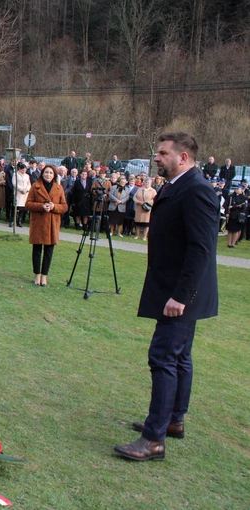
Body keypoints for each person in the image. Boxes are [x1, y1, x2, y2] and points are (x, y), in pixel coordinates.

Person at [114, 132, 219, 462]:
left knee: (163, 357)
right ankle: (172, 421)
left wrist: (181, 297)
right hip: (175, 290)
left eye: (162, 153)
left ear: (183, 157)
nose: (156, 158)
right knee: (179, 358)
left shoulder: (198, 190)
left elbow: (201, 249)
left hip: (181, 295)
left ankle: (154, 439)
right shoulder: (178, 186)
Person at [24, 165, 67, 287]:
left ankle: (44, 276)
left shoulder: (59, 188)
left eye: (51, 173)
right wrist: (41, 206)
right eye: (46, 172)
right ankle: (37, 275)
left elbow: (64, 206)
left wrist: (54, 207)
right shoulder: (35, 187)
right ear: (42, 173)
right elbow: (28, 204)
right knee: (37, 250)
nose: (48, 175)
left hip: (52, 223)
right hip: (38, 223)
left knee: (49, 251)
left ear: (54, 175)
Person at [11, 162, 30, 227]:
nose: (24, 171)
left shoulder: (27, 176)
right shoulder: (15, 174)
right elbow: (14, 183)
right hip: (18, 193)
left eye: (25, 170)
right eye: (22, 170)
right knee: (16, 206)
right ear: (19, 169)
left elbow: (29, 184)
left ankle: (20, 220)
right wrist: (21, 189)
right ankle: (12, 220)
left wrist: (26, 189)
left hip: (25, 194)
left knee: (23, 208)